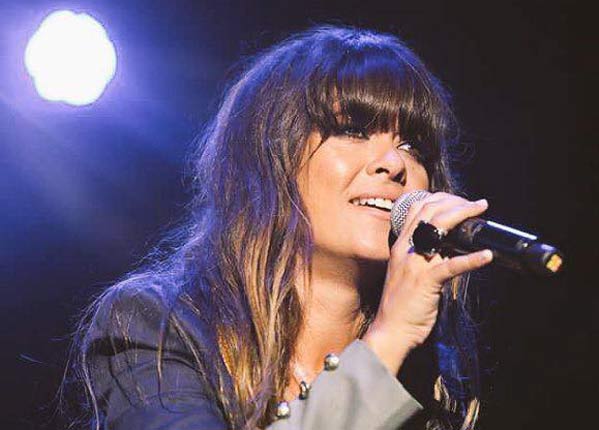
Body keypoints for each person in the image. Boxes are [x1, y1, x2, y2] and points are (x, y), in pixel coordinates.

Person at [69, 25, 494, 430]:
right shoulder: (160, 327)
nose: (394, 163)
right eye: (352, 131)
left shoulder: (431, 373)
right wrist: (389, 338)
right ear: (271, 160)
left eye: (412, 146)